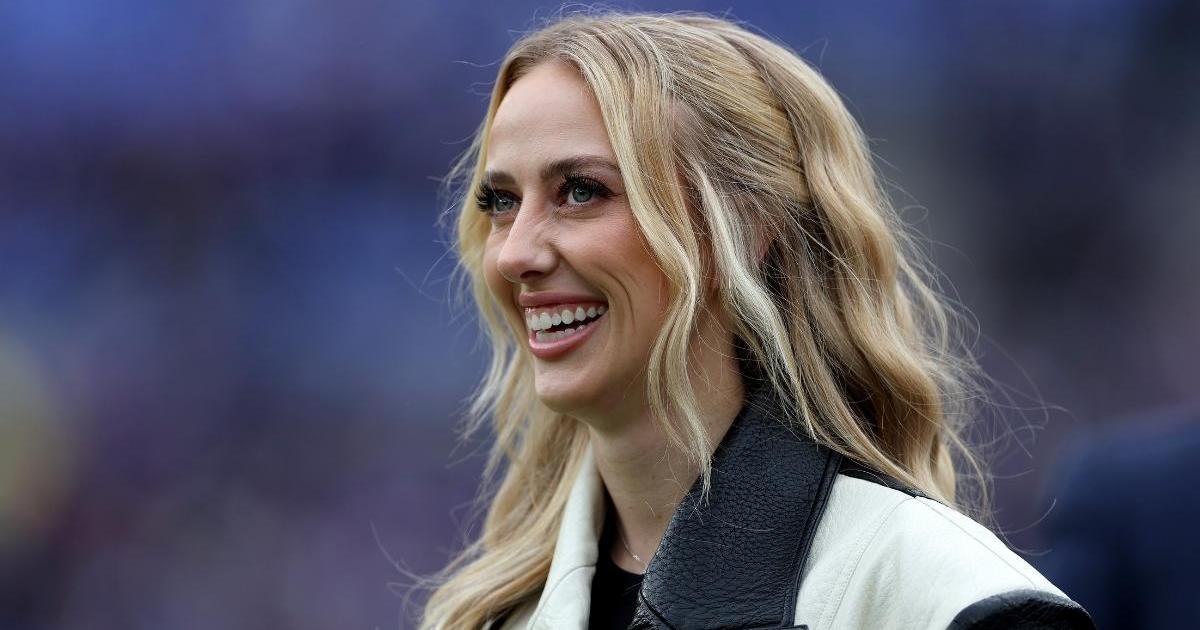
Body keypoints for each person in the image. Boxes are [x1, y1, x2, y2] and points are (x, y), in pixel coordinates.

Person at [422, 12, 1093, 630]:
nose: (514, 254)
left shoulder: (952, 605)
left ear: (743, 227)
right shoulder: (488, 615)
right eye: (501, 201)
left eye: (580, 191)